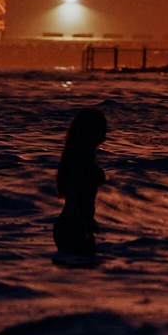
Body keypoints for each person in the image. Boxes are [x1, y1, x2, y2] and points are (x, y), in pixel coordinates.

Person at [53, 106, 108, 262]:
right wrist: (84, 222)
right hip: (73, 226)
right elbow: (77, 194)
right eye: (102, 127)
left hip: (72, 225)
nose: (106, 132)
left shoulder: (79, 157)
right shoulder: (81, 160)